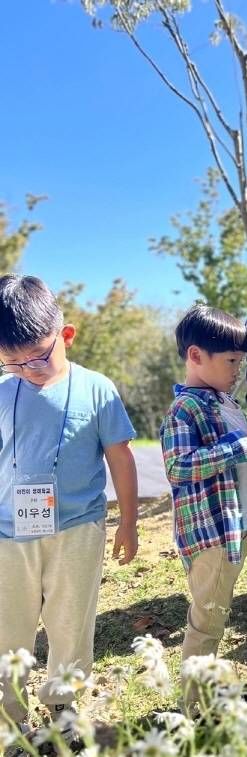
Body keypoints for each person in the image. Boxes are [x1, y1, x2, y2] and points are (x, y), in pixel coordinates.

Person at [0, 275, 138, 728]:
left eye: (38, 356)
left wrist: (129, 522)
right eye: (12, 362)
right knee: (9, 626)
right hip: (8, 535)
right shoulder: (3, 391)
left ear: (66, 335)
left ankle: (65, 704)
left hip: (78, 527)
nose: (27, 369)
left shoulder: (97, 389)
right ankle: (11, 716)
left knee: (71, 620)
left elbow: (121, 457)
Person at [160, 305, 247, 698]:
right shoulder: (185, 409)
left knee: (217, 612)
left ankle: (207, 692)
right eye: (231, 360)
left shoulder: (225, 402)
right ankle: (196, 706)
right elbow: (178, 468)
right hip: (214, 535)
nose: (238, 369)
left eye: (241, 361)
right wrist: (237, 444)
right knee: (209, 618)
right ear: (196, 356)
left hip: (240, 525)